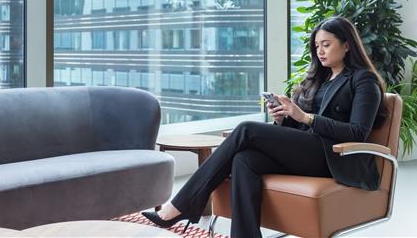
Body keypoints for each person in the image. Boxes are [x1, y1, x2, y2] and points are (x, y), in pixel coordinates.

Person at [142, 16, 387, 237]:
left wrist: (305, 118)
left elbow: (358, 132)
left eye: (327, 44)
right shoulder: (318, 80)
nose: (320, 51)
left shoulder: (363, 80)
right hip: (309, 151)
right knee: (244, 159)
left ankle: (181, 206)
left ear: (346, 45)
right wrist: (284, 118)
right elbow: (301, 127)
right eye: (317, 46)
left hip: (335, 158)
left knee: (247, 129)